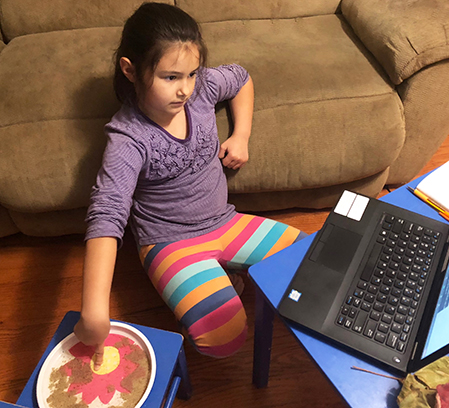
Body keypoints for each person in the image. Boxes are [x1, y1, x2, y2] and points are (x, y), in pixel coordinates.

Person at [74, 2, 306, 369]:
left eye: (191, 74)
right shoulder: (127, 138)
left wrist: (241, 134)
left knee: (313, 262)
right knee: (223, 339)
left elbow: (241, 77)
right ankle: (217, 282)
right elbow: (106, 212)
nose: (185, 89)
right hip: (170, 243)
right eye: (170, 77)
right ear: (130, 70)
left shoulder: (200, 91)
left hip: (226, 222)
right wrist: (94, 309)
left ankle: (227, 275)